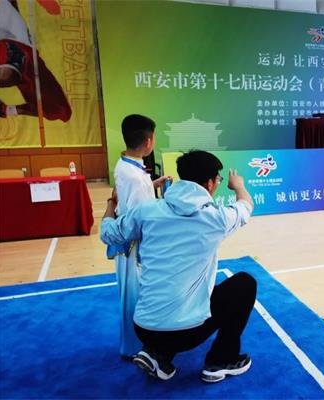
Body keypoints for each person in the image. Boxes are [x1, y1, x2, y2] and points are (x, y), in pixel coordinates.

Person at [101, 150, 256, 383]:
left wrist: (111, 203)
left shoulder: (147, 211)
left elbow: (107, 233)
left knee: (176, 292)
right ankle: (221, 360)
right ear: (211, 183)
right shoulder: (216, 218)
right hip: (186, 334)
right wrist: (239, 186)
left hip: (144, 328)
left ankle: (158, 355)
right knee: (244, 284)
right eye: (219, 180)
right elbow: (245, 206)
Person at [110, 114, 171, 359]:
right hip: (133, 247)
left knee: (132, 295)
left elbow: (133, 196)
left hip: (129, 243)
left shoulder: (127, 165)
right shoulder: (134, 176)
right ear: (148, 141)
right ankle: (135, 348)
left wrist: (153, 184)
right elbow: (138, 219)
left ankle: (135, 345)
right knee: (135, 297)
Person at [0, 0, 72, 121]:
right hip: (23, 55)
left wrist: (8, 110)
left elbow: (61, 111)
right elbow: (61, 111)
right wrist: (10, 110)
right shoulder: (28, 63)